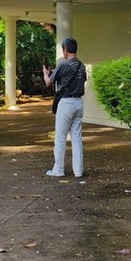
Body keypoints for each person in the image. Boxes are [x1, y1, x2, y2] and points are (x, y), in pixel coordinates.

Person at [42, 37, 87, 178]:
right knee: (77, 138)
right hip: (78, 103)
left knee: (60, 138)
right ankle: (78, 171)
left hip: (66, 104)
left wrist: (45, 73)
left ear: (66, 50)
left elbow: (48, 82)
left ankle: (58, 170)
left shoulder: (63, 65)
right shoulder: (82, 66)